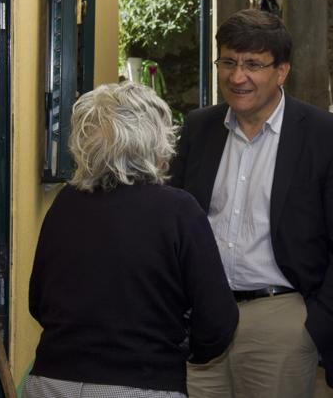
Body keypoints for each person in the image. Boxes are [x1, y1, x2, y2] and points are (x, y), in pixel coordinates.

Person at [169, 9, 333, 398]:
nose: (237, 76)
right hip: (202, 320)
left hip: (281, 320)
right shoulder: (198, 128)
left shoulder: (327, 137)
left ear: (281, 71)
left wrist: (313, 326)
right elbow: (175, 226)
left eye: (253, 65)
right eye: (228, 61)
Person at [25, 82, 238, 398]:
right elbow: (218, 321)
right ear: (155, 141)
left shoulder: (66, 203)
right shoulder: (178, 210)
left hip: (54, 380)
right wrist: (180, 350)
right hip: (141, 381)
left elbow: (38, 301)